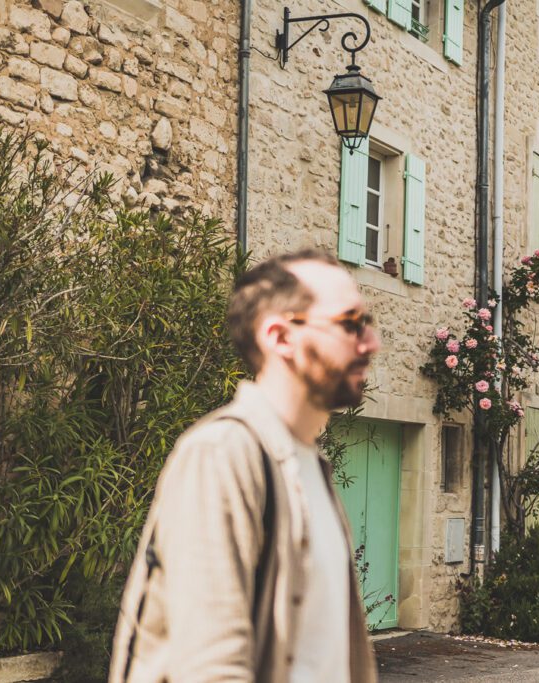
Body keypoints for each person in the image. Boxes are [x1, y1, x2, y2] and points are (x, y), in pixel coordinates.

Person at [110, 249, 380, 682]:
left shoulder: (312, 467)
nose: (370, 343)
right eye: (350, 324)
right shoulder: (222, 453)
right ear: (279, 337)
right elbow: (213, 666)